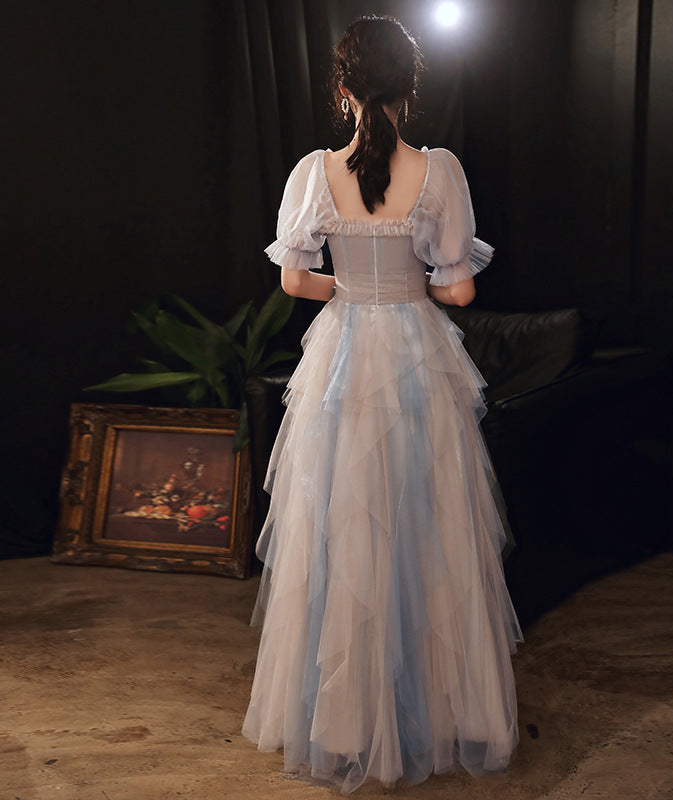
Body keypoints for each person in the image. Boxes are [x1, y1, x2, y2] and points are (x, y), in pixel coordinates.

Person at [241, 14, 524, 793]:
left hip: (340, 357)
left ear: (342, 91)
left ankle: (341, 722)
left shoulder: (313, 173)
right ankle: (440, 713)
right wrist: (407, 286)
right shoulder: (440, 172)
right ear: (410, 90)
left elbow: (294, 281)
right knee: (429, 528)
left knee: (342, 527)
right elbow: (459, 290)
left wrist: (353, 286)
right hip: (414, 356)